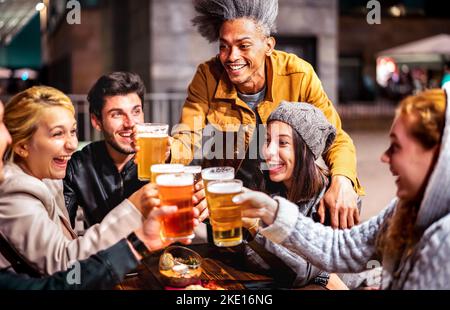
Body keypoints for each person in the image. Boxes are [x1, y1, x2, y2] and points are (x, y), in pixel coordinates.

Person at [170, 0, 363, 229]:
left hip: (285, 199)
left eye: (243, 46)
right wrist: (167, 150)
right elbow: (187, 135)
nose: (231, 57)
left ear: (269, 45)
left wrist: (342, 180)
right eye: (224, 46)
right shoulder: (207, 76)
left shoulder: (298, 74)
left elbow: (336, 137)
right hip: (231, 200)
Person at [235, 88, 450, 289]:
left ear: (439, 155)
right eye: (268, 141)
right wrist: (268, 211)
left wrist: (258, 227)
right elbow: (340, 248)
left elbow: (307, 269)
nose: (384, 157)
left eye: (396, 146)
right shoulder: (404, 208)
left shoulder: (443, 239)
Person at [0, 99, 196, 289]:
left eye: (73, 131)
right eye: (58, 133)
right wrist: (134, 209)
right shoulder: (19, 188)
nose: (71, 144)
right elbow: (64, 263)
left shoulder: (47, 174)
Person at [63, 72, 208, 236]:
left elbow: (202, 216)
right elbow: (60, 229)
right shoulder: (79, 166)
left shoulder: (168, 161)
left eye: (136, 111)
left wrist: (205, 202)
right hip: (105, 258)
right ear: (96, 121)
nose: (130, 123)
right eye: (117, 114)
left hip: (159, 257)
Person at [243, 101, 350, 289]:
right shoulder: (266, 185)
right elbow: (251, 257)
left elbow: (301, 273)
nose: (268, 152)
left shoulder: (334, 203)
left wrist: (255, 230)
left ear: (307, 150)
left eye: (283, 143)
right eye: (267, 140)